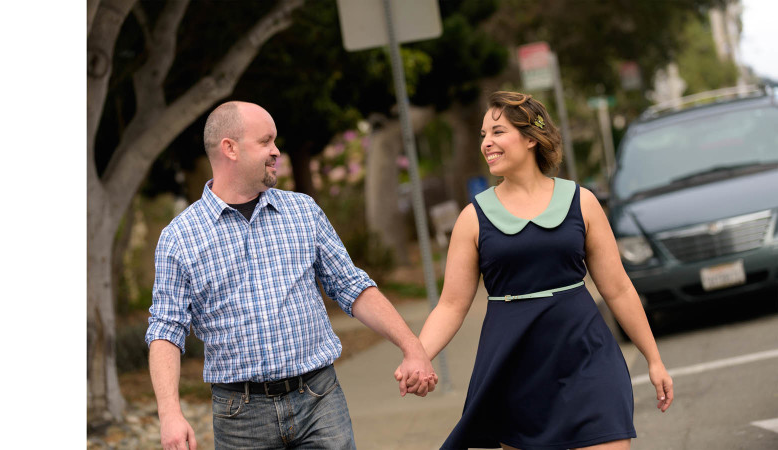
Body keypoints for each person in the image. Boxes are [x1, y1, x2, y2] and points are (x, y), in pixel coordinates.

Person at [146, 100, 437, 450]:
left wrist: (412, 346)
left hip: (319, 399)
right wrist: (170, 413)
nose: (276, 151)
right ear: (230, 148)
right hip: (241, 416)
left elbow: (351, 286)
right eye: (266, 141)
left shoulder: (302, 211)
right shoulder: (180, 238)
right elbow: (166, 329)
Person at [399, 91, 674, 449]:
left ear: (531, 138)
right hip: (515, 370)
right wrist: (418, 355)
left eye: (497, 132)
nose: (487, 143)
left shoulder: (582, 202)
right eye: (484, 135)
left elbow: (618, 288)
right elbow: (451, 305)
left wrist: (654, 359)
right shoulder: (473, 218)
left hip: (588, 357)